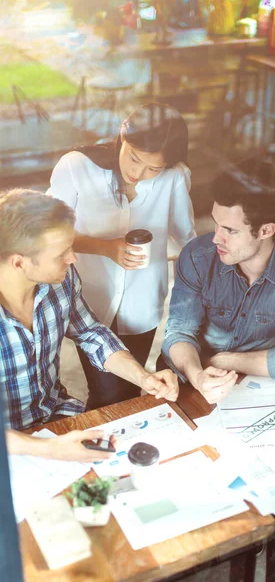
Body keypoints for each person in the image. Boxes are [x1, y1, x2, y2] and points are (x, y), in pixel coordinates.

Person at [0, 189, 178, 462]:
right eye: (61, 253)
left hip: (57, 415)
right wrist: (47, 449)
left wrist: (143, 377)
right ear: (19, 263)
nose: (73, 258)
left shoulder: (61, 278)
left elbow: (91, 333)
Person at [48, 102, 195, 410]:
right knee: (106, 396)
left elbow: (185, 238)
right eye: (134, 158)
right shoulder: (76, 166)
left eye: (153, 169)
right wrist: (105, 248)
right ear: (122, 136)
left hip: (143, 303)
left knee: (128, 394)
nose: (138, 174)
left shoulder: (176, 177)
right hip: (90, 302)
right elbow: (46, 234)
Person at [161, 158, 275, 404]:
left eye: (230, 230)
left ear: (266, 231)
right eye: (217, 224)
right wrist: (198, 375)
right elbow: (178, 332)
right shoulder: (197, 257)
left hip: (257, 381)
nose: (216, 239)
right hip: (190, 375)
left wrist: (222, 361)